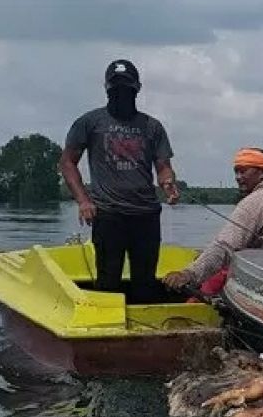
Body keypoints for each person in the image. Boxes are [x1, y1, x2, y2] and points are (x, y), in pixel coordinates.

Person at [59, 59, 179, 303]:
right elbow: (67, 162)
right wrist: (83, 200)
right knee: (108, 281)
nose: (121, 93)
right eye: (116, 88)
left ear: (137, 89)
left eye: (126, 88)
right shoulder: (90, 122)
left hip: (146, 214)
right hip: (108, 214)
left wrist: (168, 183)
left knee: (145, 283)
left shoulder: (152, 127)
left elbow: (164, 166)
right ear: (106, 88)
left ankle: (145, 332)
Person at [162, 147, 263, 291]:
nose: (238, 177)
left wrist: (188, 275)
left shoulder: (254, 201)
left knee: (217, 273)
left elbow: (224, 246)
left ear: (262, 172)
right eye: (236, 172)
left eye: (243, 172)